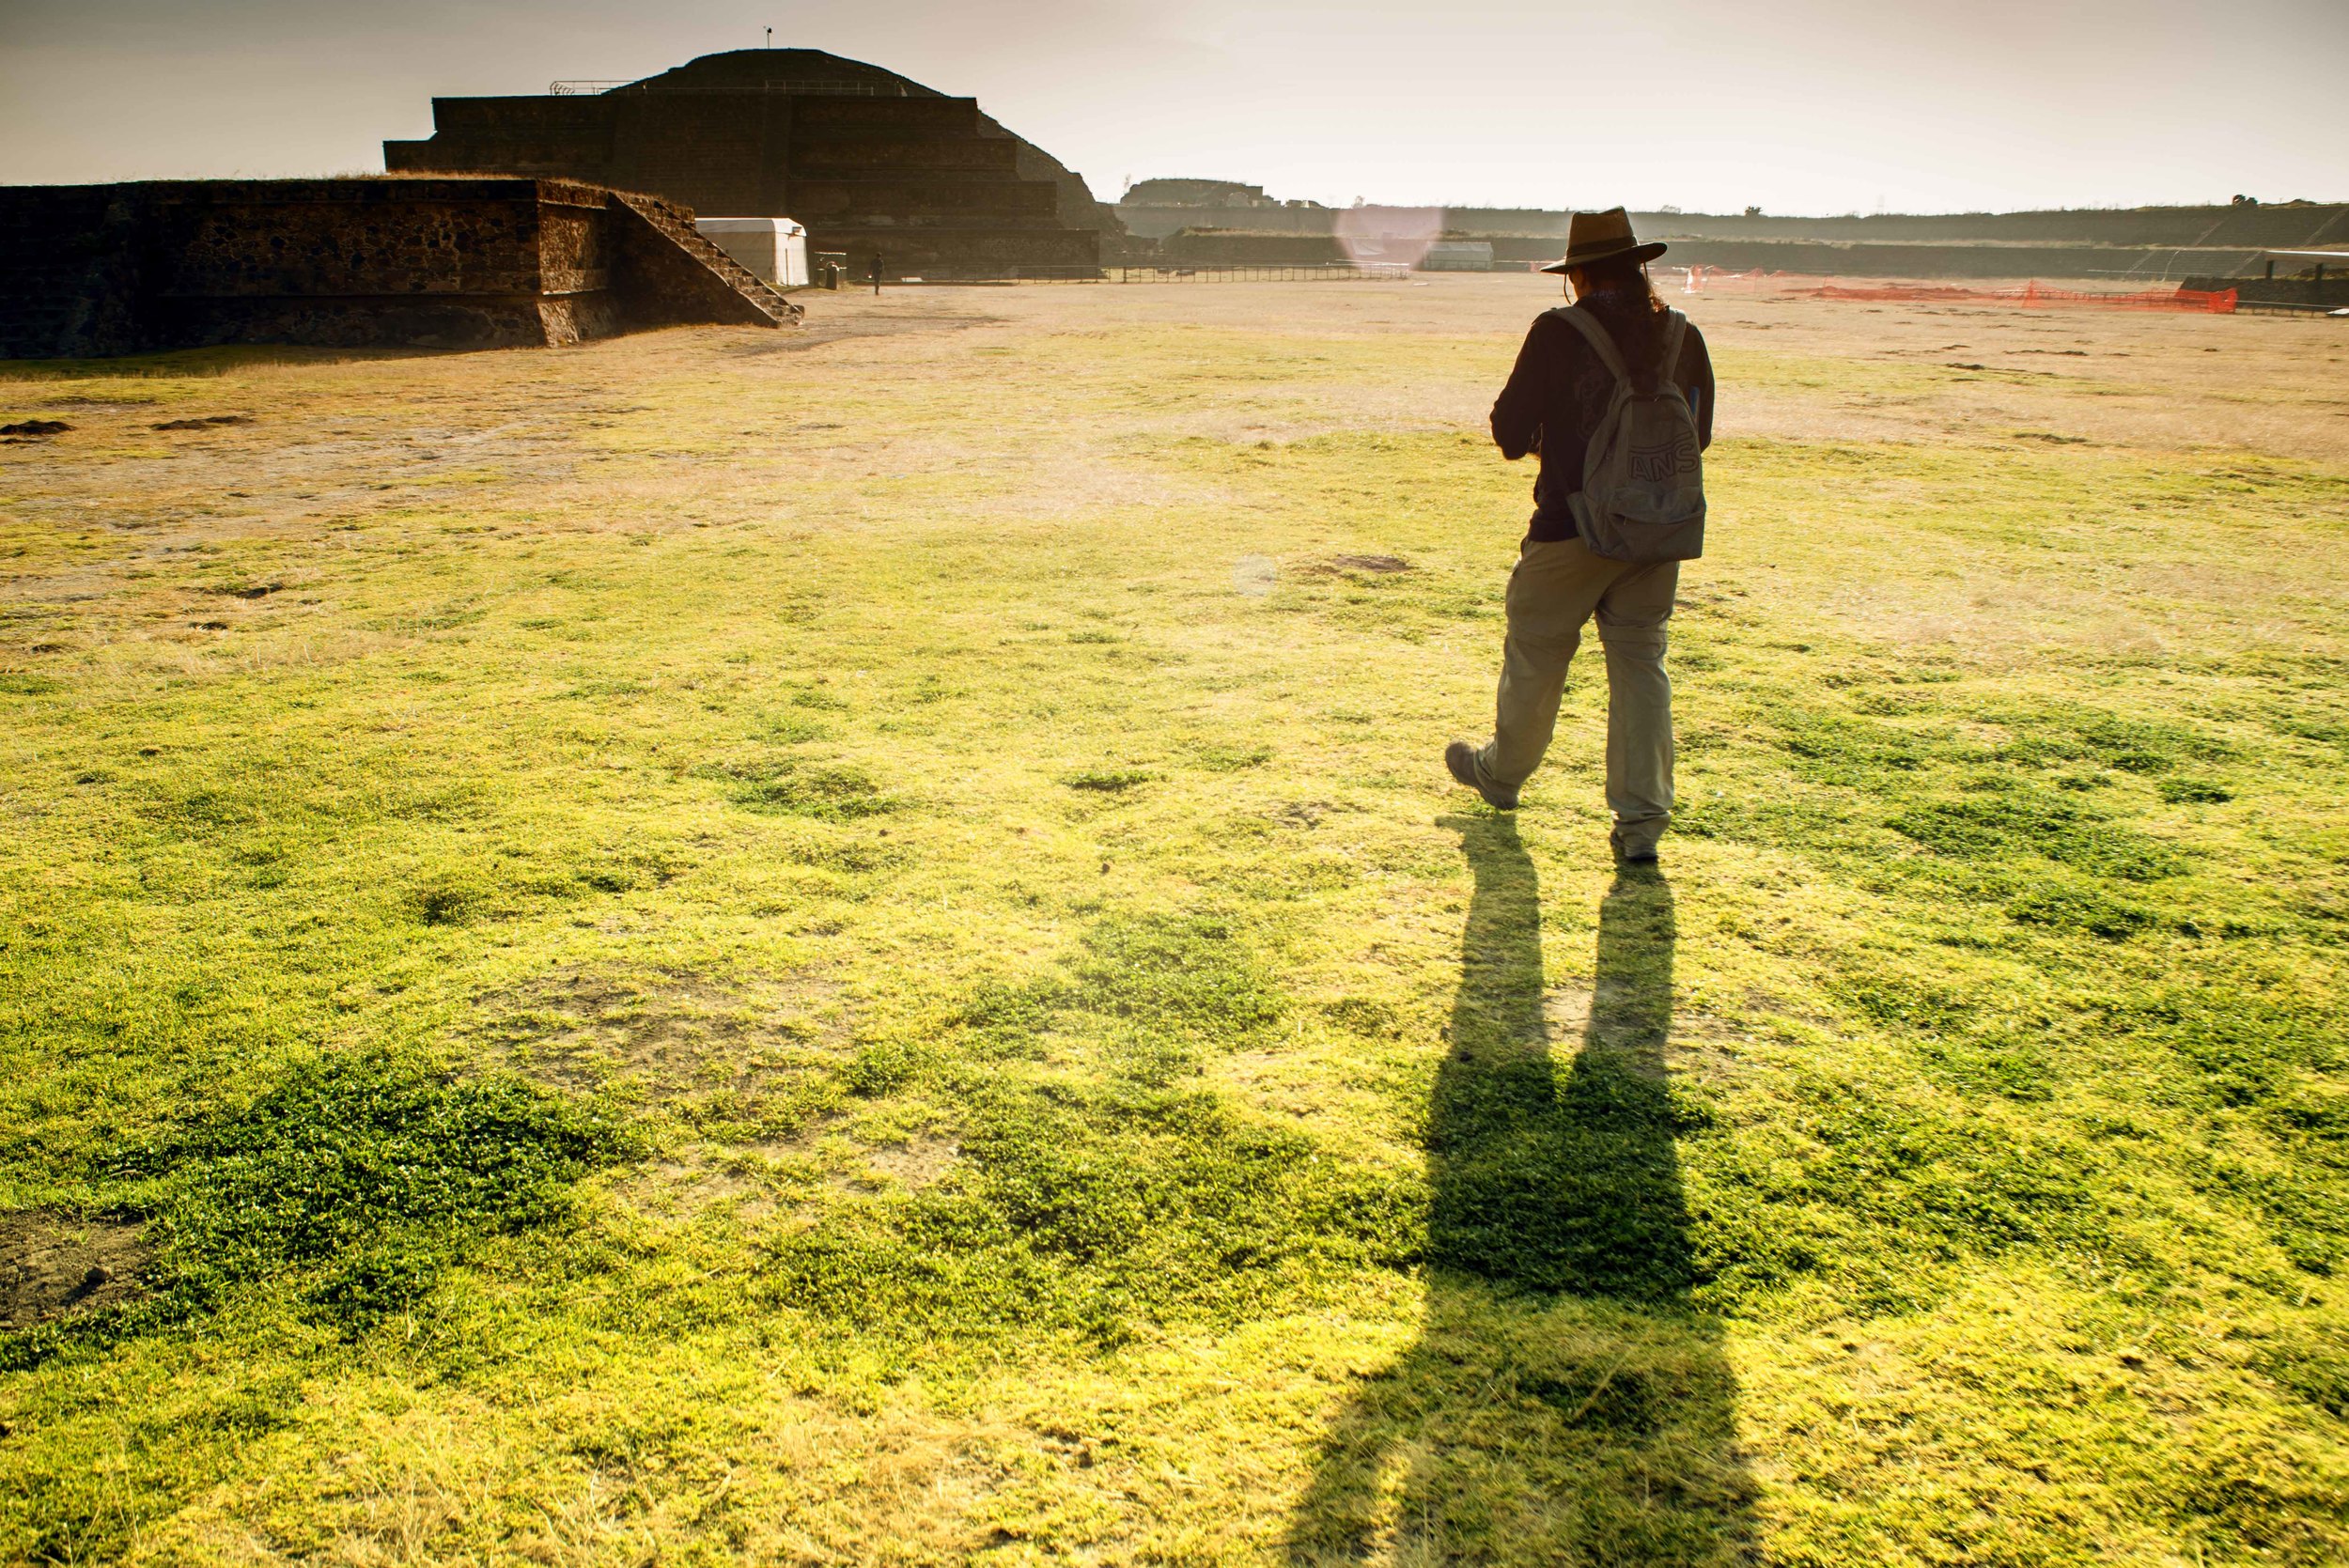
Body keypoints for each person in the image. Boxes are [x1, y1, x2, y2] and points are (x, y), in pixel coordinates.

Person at [1445, 208, 1715, 863]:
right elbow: (1697, 436)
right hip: (1656, 532)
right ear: (1639, 268)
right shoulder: (1681, 334)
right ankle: (1642, 823)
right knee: (1641, 665)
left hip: (1569, 528)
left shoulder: (1558, 332)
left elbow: (1509, 431)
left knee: (1536, 656)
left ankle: (1503, 776)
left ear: (1580, 277)